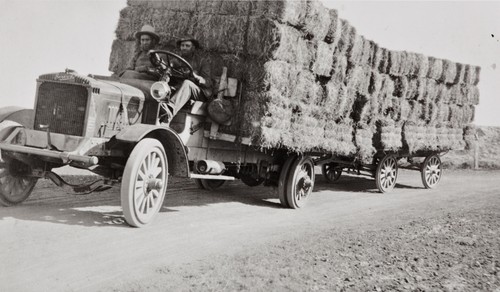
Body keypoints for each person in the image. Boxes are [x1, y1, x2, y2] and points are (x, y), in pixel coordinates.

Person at [160, 36, 213, 124]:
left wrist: (197, 77)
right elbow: (169, 69)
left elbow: (208, 82)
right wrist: (165, 75)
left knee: (187, 83)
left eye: (187, 46)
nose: (184, 48)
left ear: (193, 48)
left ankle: (169, 110)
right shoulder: (177, 60)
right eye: (182, 45)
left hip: (199, 92)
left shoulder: (202, 62)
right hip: (182, 89)